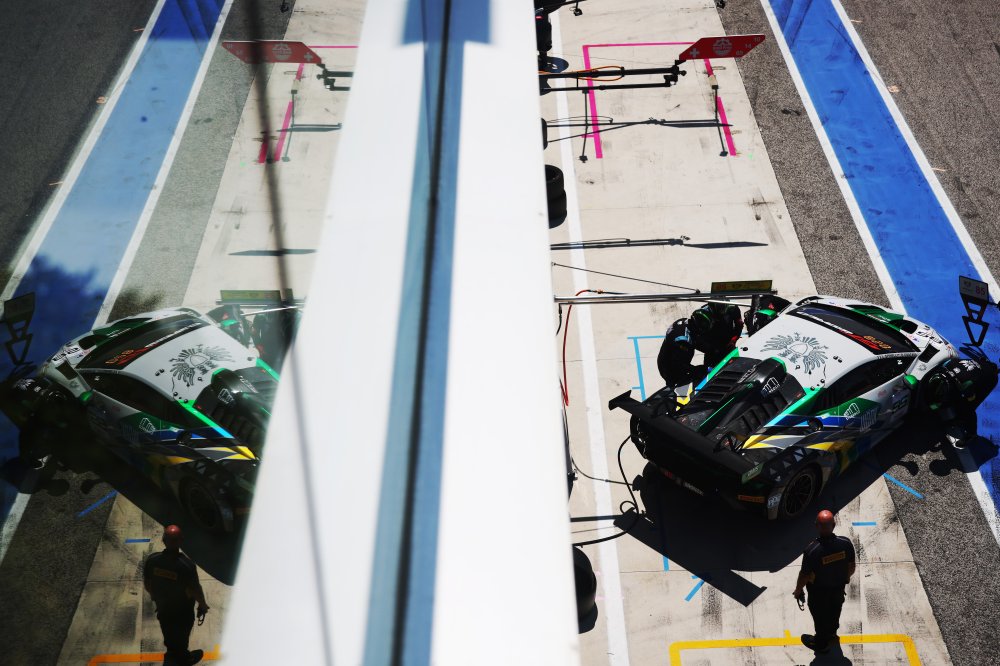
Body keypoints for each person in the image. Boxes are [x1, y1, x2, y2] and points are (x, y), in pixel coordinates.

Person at [143, 525, 209, 665]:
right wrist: (203, 605)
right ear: (181, 541)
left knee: (168, 631)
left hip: (163, 608)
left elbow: (148, 584)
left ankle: (172, 652)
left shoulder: (152, 560)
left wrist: (155, 597)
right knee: (182, 636)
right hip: (182, 612)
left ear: (163, 540)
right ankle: (184, 658)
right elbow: (195, 589)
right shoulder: (186, 565)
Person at [793, 510, 856, 653]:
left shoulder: (812, 550)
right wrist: (845, 579)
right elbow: (851, 567)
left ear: (817, 526)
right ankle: (832, 633)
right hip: (838, 588)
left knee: (820, 617)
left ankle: (821, 643)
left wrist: (798, 590)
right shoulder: (846, 543)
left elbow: (804, 575)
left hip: (819, 593)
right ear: (834, 525)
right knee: (835, 610)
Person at [656, 302, 743, 387]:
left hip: (671, 356)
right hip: (670, 367)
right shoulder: (684, 341)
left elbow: (698, 342)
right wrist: (703, 369)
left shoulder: (686, 323)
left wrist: (714, 350)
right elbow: (681, 365)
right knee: (682, 380)